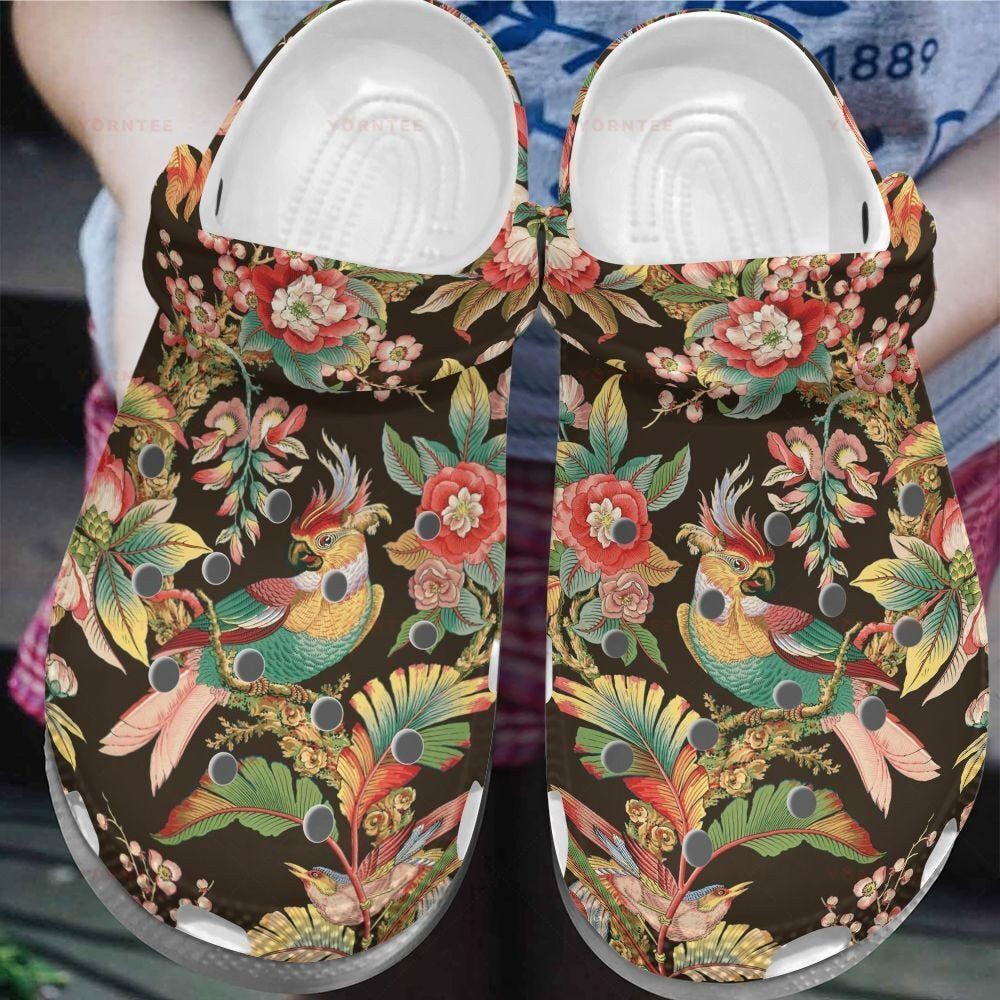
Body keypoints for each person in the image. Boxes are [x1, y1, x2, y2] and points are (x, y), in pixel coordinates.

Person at [12, 2, 999, 755]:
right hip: (291, 377)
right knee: (347, 890)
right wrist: (199, 211)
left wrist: (875, 321)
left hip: (859, 403)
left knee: (673, 895)